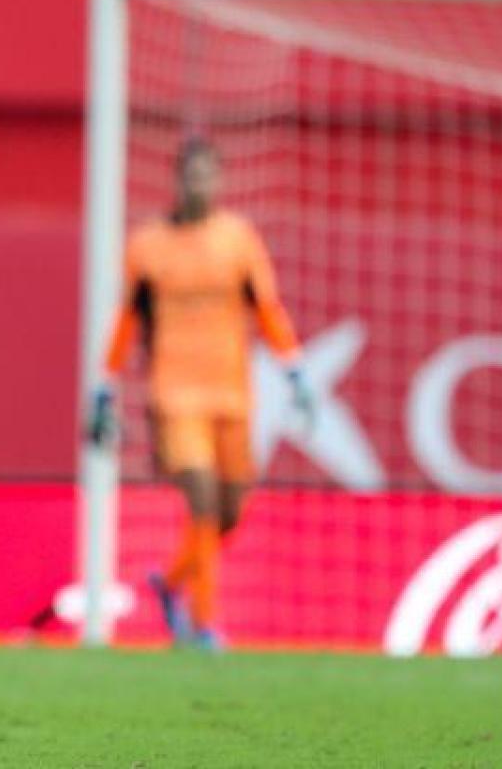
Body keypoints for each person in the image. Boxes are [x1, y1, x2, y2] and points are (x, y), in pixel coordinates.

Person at [101, 138, 314, 651]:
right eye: (191, 175)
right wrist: (104, 386)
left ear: (220, 181)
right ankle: (201, 625)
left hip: (232, 393)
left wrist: (296, 369)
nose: (200, 184)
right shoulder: (148, 245)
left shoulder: (237, 239)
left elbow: (267, 308)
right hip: (175, 394)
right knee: (201, 497)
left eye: (208, 175)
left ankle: (172, 584)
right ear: (177, 180)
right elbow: (128, 321)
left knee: (230, 512)